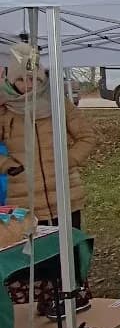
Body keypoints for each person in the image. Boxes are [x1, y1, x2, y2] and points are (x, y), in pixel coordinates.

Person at [0, 44, 94, 228]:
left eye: (32, 78)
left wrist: (69, 159)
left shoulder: (58, 102)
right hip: (25, 200)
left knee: (72, 252)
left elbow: (87, 137)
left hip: (65, 196)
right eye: (21, 80)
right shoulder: (5, 110)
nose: (28, 85)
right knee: (40, 255)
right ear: (11, 81)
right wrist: (7, 165)